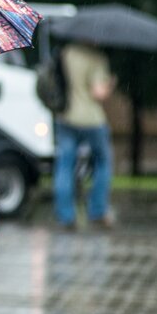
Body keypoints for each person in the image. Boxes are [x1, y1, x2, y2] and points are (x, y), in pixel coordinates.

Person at [52, 42, 117, 229]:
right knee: (103, 161)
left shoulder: (66, 52)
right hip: (91, 120)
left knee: (65, 165)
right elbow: (98, 93)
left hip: (66, 116)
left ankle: (65, 215)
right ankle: (97, 210)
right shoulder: (97, 58)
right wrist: (110, 84)